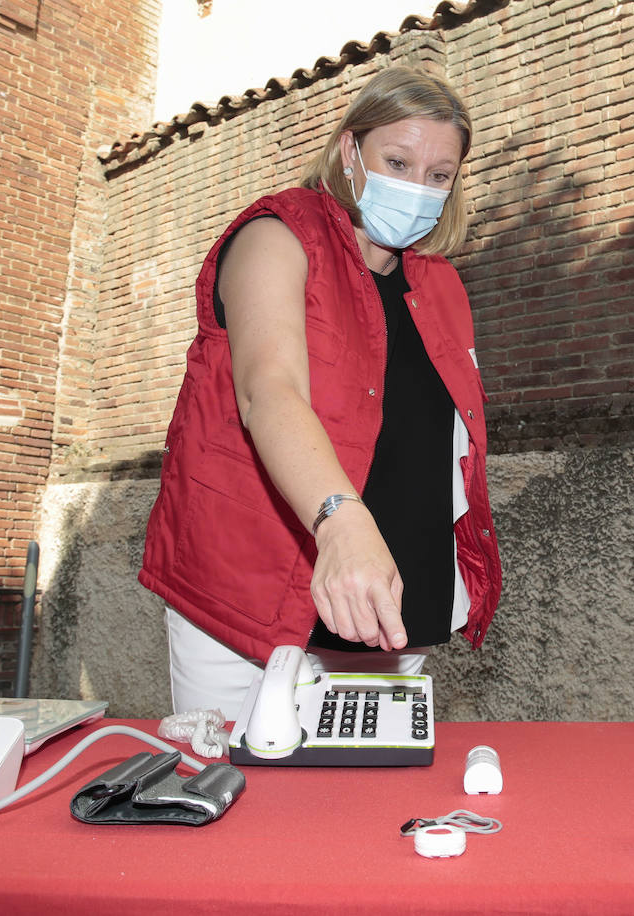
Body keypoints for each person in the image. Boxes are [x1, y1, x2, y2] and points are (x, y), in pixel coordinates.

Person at [139, 67, 502, 720]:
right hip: (249, 599)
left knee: (361, 814)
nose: (417, 187)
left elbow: (444, 449)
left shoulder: (443, 286)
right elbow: (267, 390)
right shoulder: (276, 237)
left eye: (439, 175)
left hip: (390, 609)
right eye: (398, 160)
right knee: (233, 798)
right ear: (349, 151)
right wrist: (341, 520)